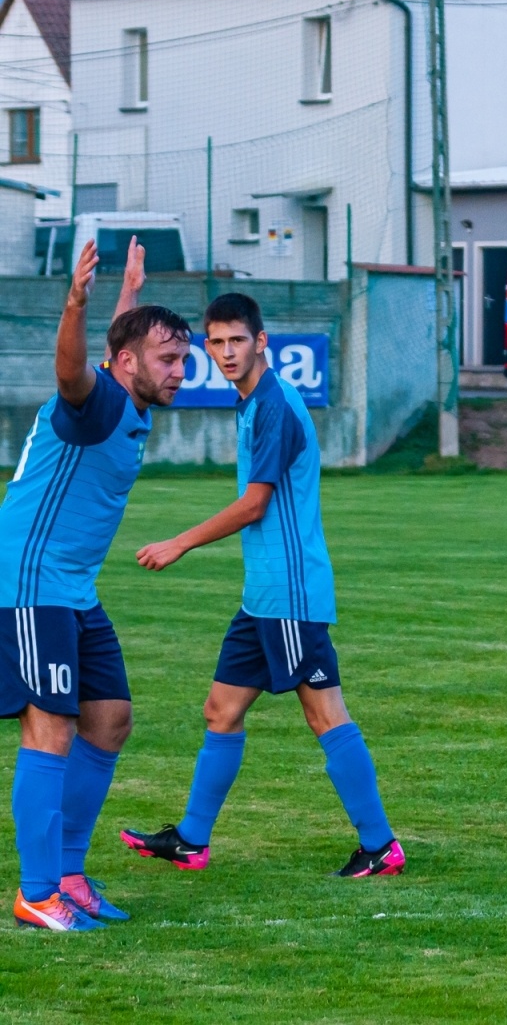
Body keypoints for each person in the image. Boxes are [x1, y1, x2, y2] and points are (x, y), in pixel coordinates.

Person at [121, 293, 405, 880]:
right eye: (217, 342)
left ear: (261, 341)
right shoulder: (251, 401)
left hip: (291, 596)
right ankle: (191, 840)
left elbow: (255, 505)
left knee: (326, 716)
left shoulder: (273, 404)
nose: (227, 352)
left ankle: (380, 846)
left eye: (238, 340)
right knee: (220, 711)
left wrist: (180, 542)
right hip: (263, 598)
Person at [0, 238, 186, 930]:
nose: (179, 372)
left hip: (73, 587)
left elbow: (118, 347)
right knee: (50, 725)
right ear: (131, 363)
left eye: (183, 360)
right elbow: (72, 371)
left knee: (109, 720)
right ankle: (37, 891)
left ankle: (70, 875)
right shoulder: (96, 400)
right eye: (168, 360)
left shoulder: (123, 391)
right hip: (29, 580)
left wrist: (129, 289)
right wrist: (75, 302)